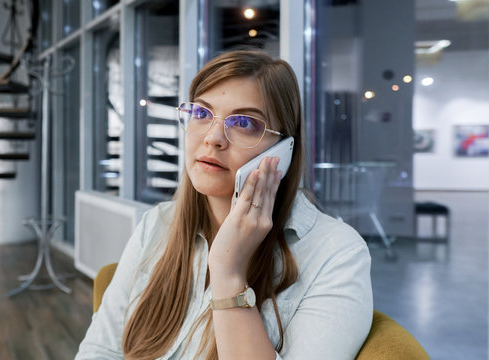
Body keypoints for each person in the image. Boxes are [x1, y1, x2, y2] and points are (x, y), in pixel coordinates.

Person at [76, 50, 373, 360]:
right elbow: (101, 351)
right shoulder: (157, 224)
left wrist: (228, 273)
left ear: (284, 150)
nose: (213, 138)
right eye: (202, 114)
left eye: (243, 122)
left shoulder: (335, 253)